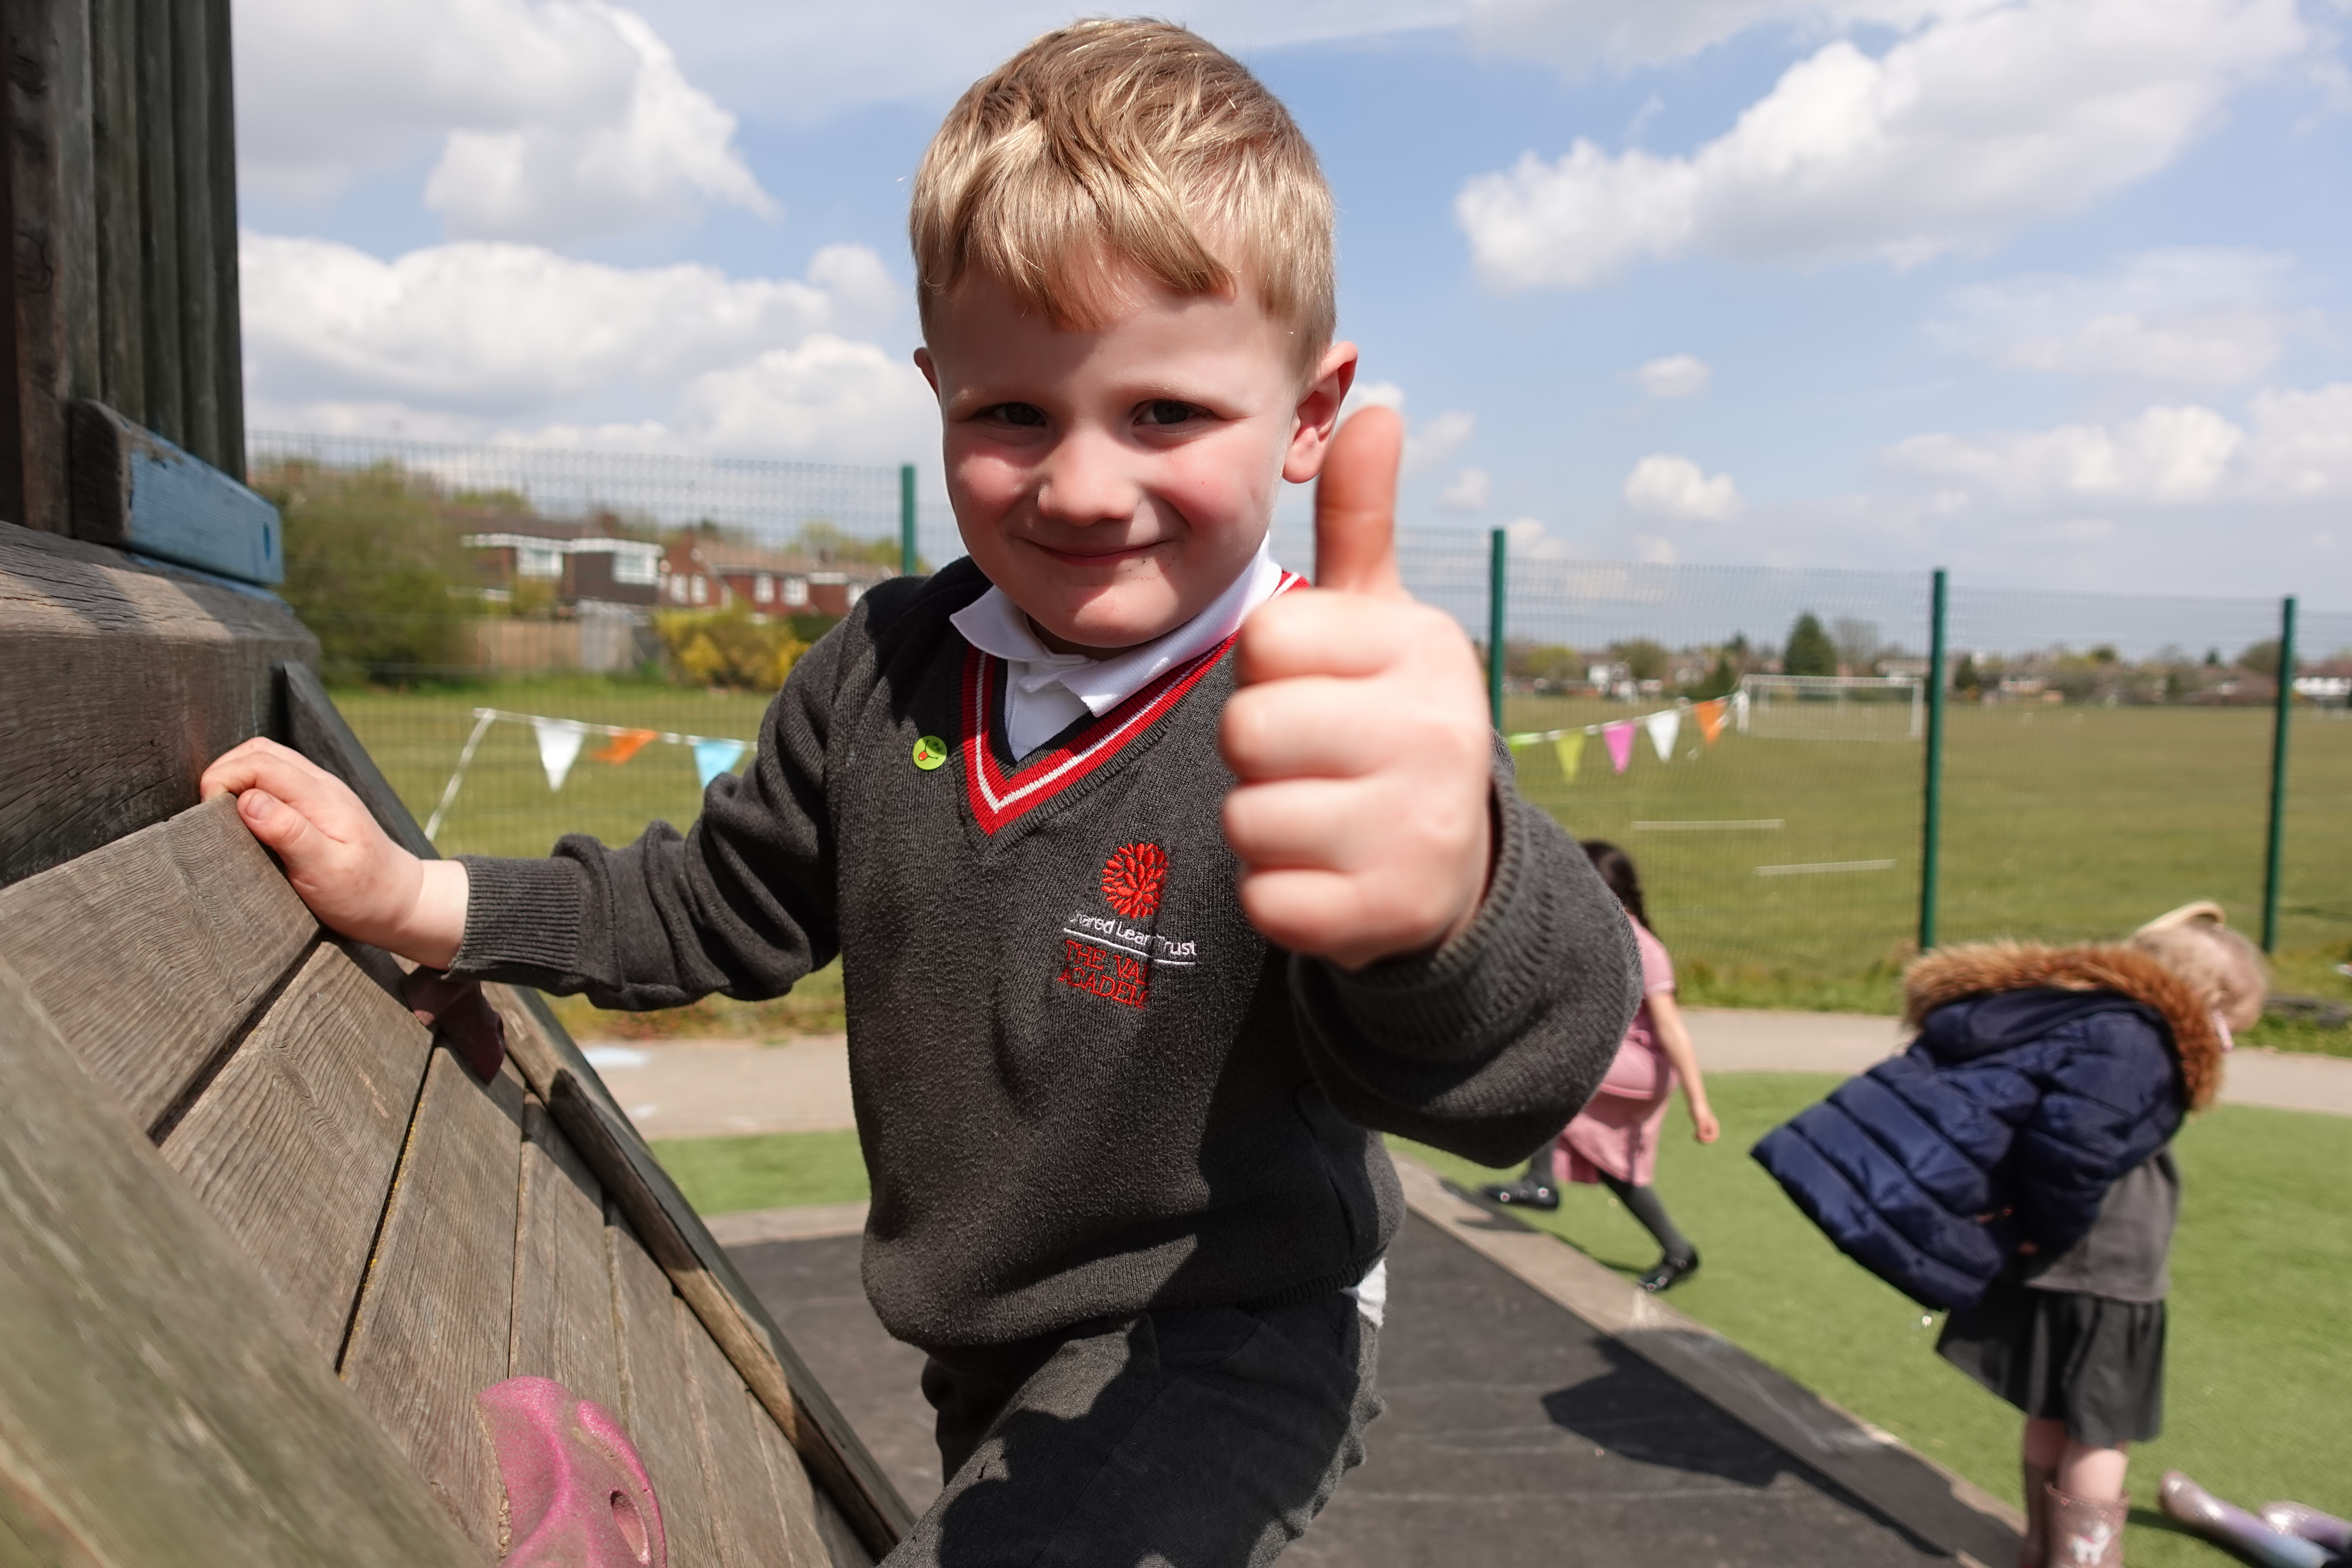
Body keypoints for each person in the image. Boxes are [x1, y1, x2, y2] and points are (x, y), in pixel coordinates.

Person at [199, 21, 1641, 1567]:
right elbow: (710, 900)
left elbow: (1503, 1079)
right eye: (1011, 413)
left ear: (1307, 412)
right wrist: (420, 896)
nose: (1083, 485)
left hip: (1224, 1328)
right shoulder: (885, 667)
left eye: (1165, 412)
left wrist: (1457, 899)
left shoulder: (1325, 705)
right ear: (935, 388)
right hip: (978, 1332)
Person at [1753, 903, 2266, 1568]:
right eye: (2230, 1027)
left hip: (2058, 1257)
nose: (2227, 1044)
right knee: (2100, 1434)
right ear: (2206, 1004)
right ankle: (2079, 1560)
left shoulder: (2085, 1017)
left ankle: (2039, 1544)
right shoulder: (2139, 1040)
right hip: (2107, 1266)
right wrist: (2051, 1223)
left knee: (2052, 1410)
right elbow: (2074, 1144)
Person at [1481, 840, 1720, 1291]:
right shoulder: (1593, 934)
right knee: (1610, 1165)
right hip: (1616, 1060)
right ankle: (1679, 1251)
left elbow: (1670, 1029)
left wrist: (1700, 1104)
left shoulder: (1644, 949)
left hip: (1644, 1067)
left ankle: (1540, 1181)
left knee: (1551, 1064)